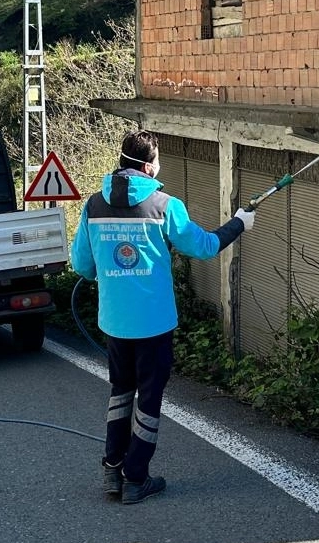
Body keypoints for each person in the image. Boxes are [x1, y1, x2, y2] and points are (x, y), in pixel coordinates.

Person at [70, 130, 256, 504]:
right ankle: (136, 478)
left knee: (121, 391)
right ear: (148, 165)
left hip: (115, 322)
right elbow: (204, 247)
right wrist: (239, 223)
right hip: (154, 323)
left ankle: (113, 470)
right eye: (157, 161)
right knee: (149, 399)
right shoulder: (164, 205)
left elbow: (82, 266)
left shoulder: (93, 205)